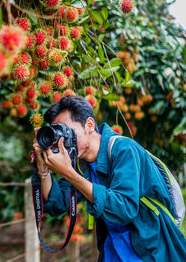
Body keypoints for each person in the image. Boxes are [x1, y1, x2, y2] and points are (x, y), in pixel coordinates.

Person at [32, 96, 186, 261]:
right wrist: (43, 170)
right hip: (113, 254)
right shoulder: (80, 164)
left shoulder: (124, 150)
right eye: (57, 133)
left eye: (66, 131)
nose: (61, 140)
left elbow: (124, 208)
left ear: (89, 125)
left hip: (151, 252)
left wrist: (68, 173)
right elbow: (58, 204)